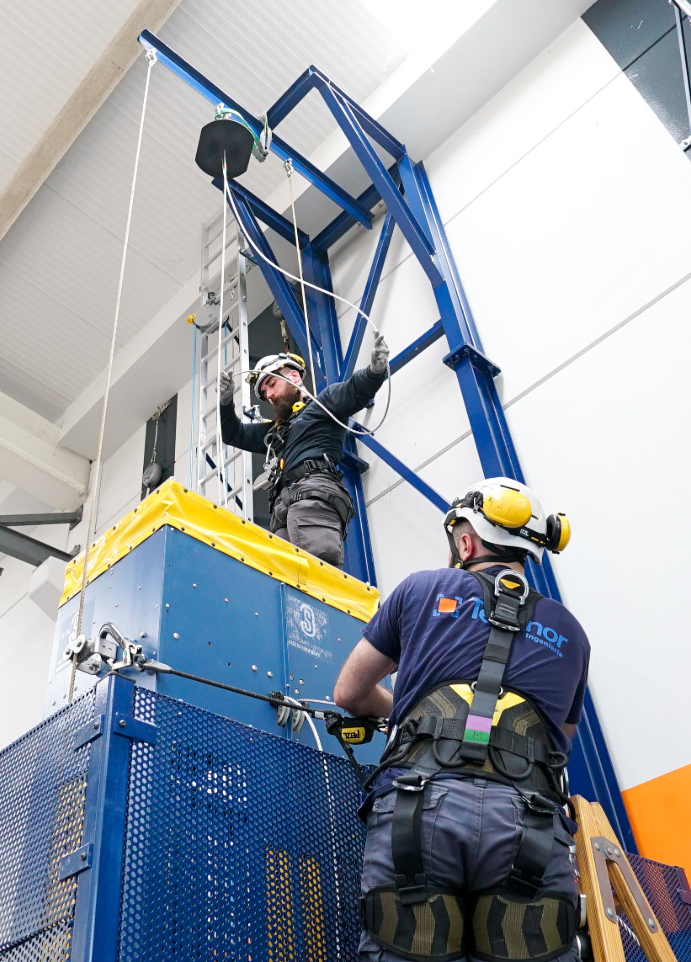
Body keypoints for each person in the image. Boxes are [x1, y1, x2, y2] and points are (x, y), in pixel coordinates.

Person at [334, 478, 588, 962]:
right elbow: (558, 743)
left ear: (465, 541)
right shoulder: (572, 635)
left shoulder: (422, 588)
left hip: (419, 811)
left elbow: (349, 691)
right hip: (529, 828)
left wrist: (409, 719)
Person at [218, 332, 388, 567]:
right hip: (282, 509)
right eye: (265, 394)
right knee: (286, 583)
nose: (269, 395)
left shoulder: (323, 405)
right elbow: (233, 434)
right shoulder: (276, 432)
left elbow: (354, 391)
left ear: (294, 376)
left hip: (314, 493)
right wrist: (226, 403)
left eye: (271, 384)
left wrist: (374, 372)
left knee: (318, 570)